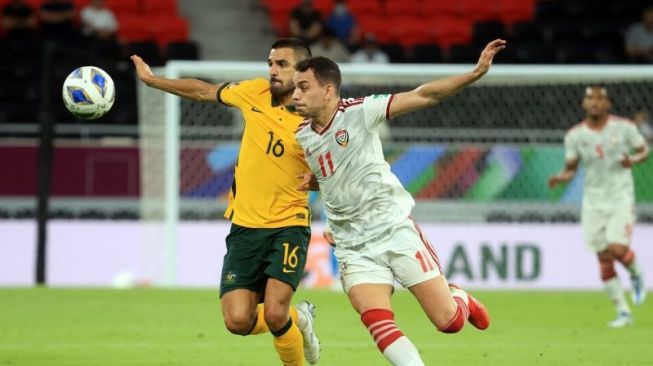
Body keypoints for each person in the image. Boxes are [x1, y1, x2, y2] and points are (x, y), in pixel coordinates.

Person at [292, 39, 506, 365]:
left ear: (328, 90)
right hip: (352, 243)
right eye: (295, 88)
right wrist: (317, 183)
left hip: (393, 229)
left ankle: (459, 296)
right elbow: (335, 174)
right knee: (377, 320)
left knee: (449, 322)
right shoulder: (303, 134)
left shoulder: (359, 112)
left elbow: (425, 95)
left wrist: (474, 74)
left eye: (303, 87)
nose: (295, 96)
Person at [131, 38, 320, 365]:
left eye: (282, 65)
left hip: (288, 225)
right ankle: (301, 319)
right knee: (237, 321)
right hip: (245, 227)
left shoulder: (315, 120)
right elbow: (203, 91)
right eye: (271, 63)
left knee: (275, 314)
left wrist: (319, 181)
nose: (273, 70)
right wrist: (153, 80)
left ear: (303, 72)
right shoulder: (255, 92)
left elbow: (339, 169)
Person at [548, 86, 649, 328]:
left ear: (608, 104)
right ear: (584, 104)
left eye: (599, 99)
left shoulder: (624, 127)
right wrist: (562, 177)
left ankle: (636, 273)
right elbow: (572, 167)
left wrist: (632, 160)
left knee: (616, 248)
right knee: (603, 257)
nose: (594, 102)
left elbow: (644, 151)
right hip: (593, 202)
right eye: (589, 98)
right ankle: (623, 312)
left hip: (620, 197)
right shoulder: (575, 135)